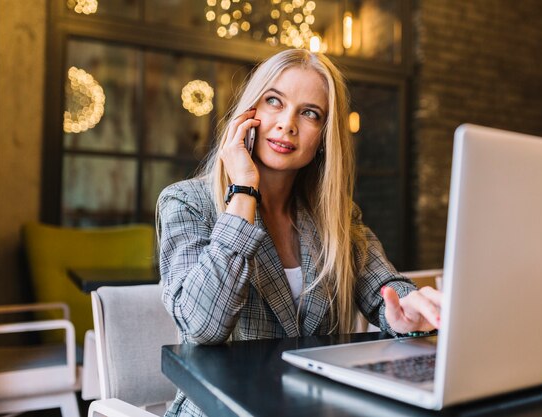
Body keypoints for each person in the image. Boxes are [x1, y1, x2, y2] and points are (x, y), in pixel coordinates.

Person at [156, 49, 442, 416]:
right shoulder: (187, 202)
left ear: (324, 136)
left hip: (313, 408)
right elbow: (201, 326)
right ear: (249, 112)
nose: (287, 124)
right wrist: (243, 190)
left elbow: (384, 286)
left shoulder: (335, 216)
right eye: (274, 101)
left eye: (310, 113)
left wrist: (408, 312)